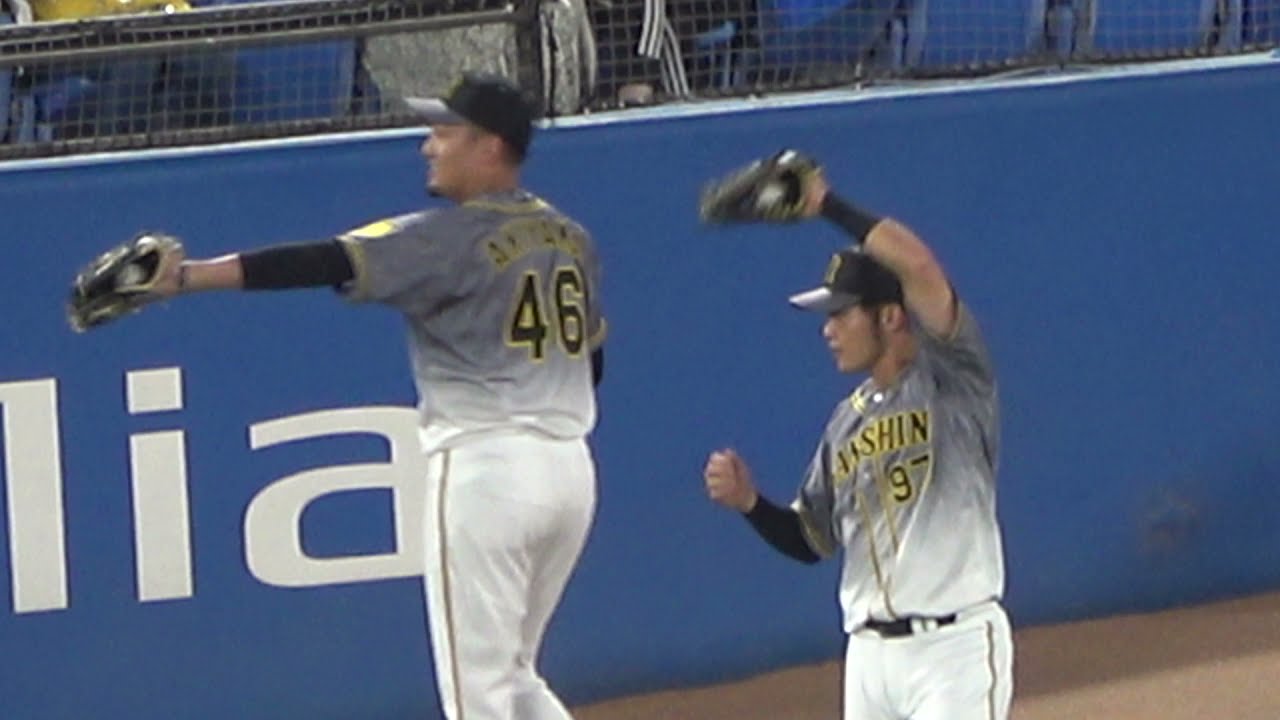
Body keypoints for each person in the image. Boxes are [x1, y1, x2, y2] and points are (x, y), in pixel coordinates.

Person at [145, 73, 606, 720]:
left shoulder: (448, 236)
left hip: (488, 475)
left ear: (491, 147)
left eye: (444, 132)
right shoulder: (571, 237)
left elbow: (324, 260)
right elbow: (593, 362)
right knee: (514, 675)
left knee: (478, 696)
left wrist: (187, 277)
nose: (428, 146)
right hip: (570, 473)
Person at [702, 165, 1012, 719]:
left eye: (840, 314)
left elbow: (919, 267)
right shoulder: (845, 424)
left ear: (890, 317)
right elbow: (811, 538)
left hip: (953, 650)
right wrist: (750, 503)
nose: (828, 330)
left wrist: (826, 204)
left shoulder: (953, 377)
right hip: (869, 661)